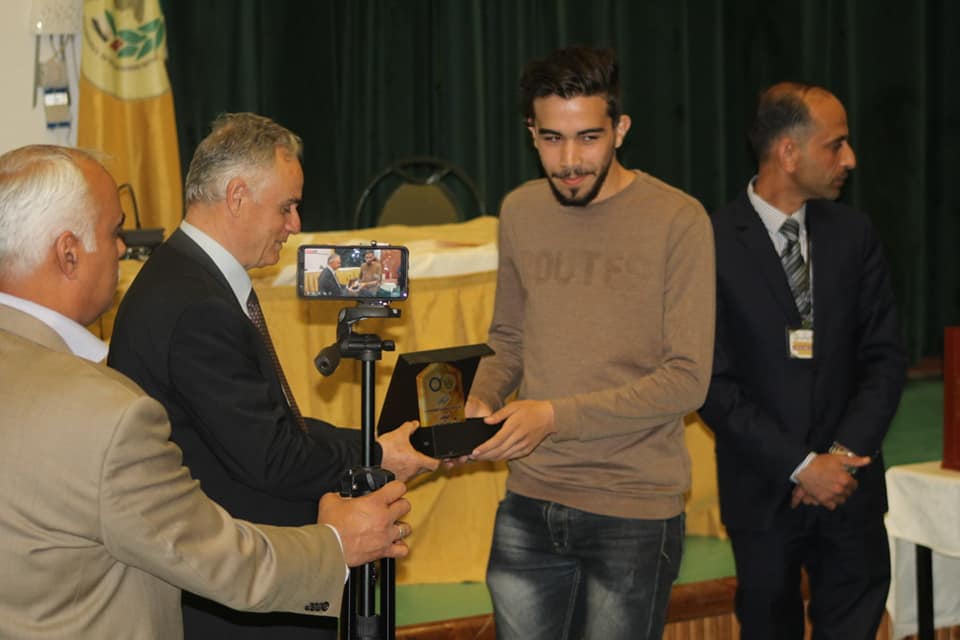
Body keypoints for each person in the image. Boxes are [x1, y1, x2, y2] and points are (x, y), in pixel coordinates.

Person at [0, 144, 414, 639]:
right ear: (69, 253)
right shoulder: (107, 413)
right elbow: (215, 558)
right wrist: (337, 544)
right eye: (114, 232)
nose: (123, 249)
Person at [107, 113, 438, 638]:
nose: (295, 225)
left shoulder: (190, 277)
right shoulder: (195, 303)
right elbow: (272, 456)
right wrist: (374, 455)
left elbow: (268, 428)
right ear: (238, 196)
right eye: (286, 207)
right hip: (231, 596)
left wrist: (371, 445)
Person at [465, 46, 716, 640]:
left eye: (588, 138)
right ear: (531, 133)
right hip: (528, 503)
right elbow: (507, 340)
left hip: (633, 509)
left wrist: (553, 417)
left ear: (620, 130)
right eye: (552, 139)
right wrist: (479, 399)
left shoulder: (679, 220)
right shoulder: (520, 210)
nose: (570, 160)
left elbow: (687, 380)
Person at [699, 82, 906, 638]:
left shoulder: (854, 234)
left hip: (851, 489)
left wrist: (837, 460)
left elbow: (885, 358)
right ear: (788, 152)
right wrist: (801, 466)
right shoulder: (710, 244)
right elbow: (712, 383)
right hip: (763, 493)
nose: (850, 159)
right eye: (835, 145)